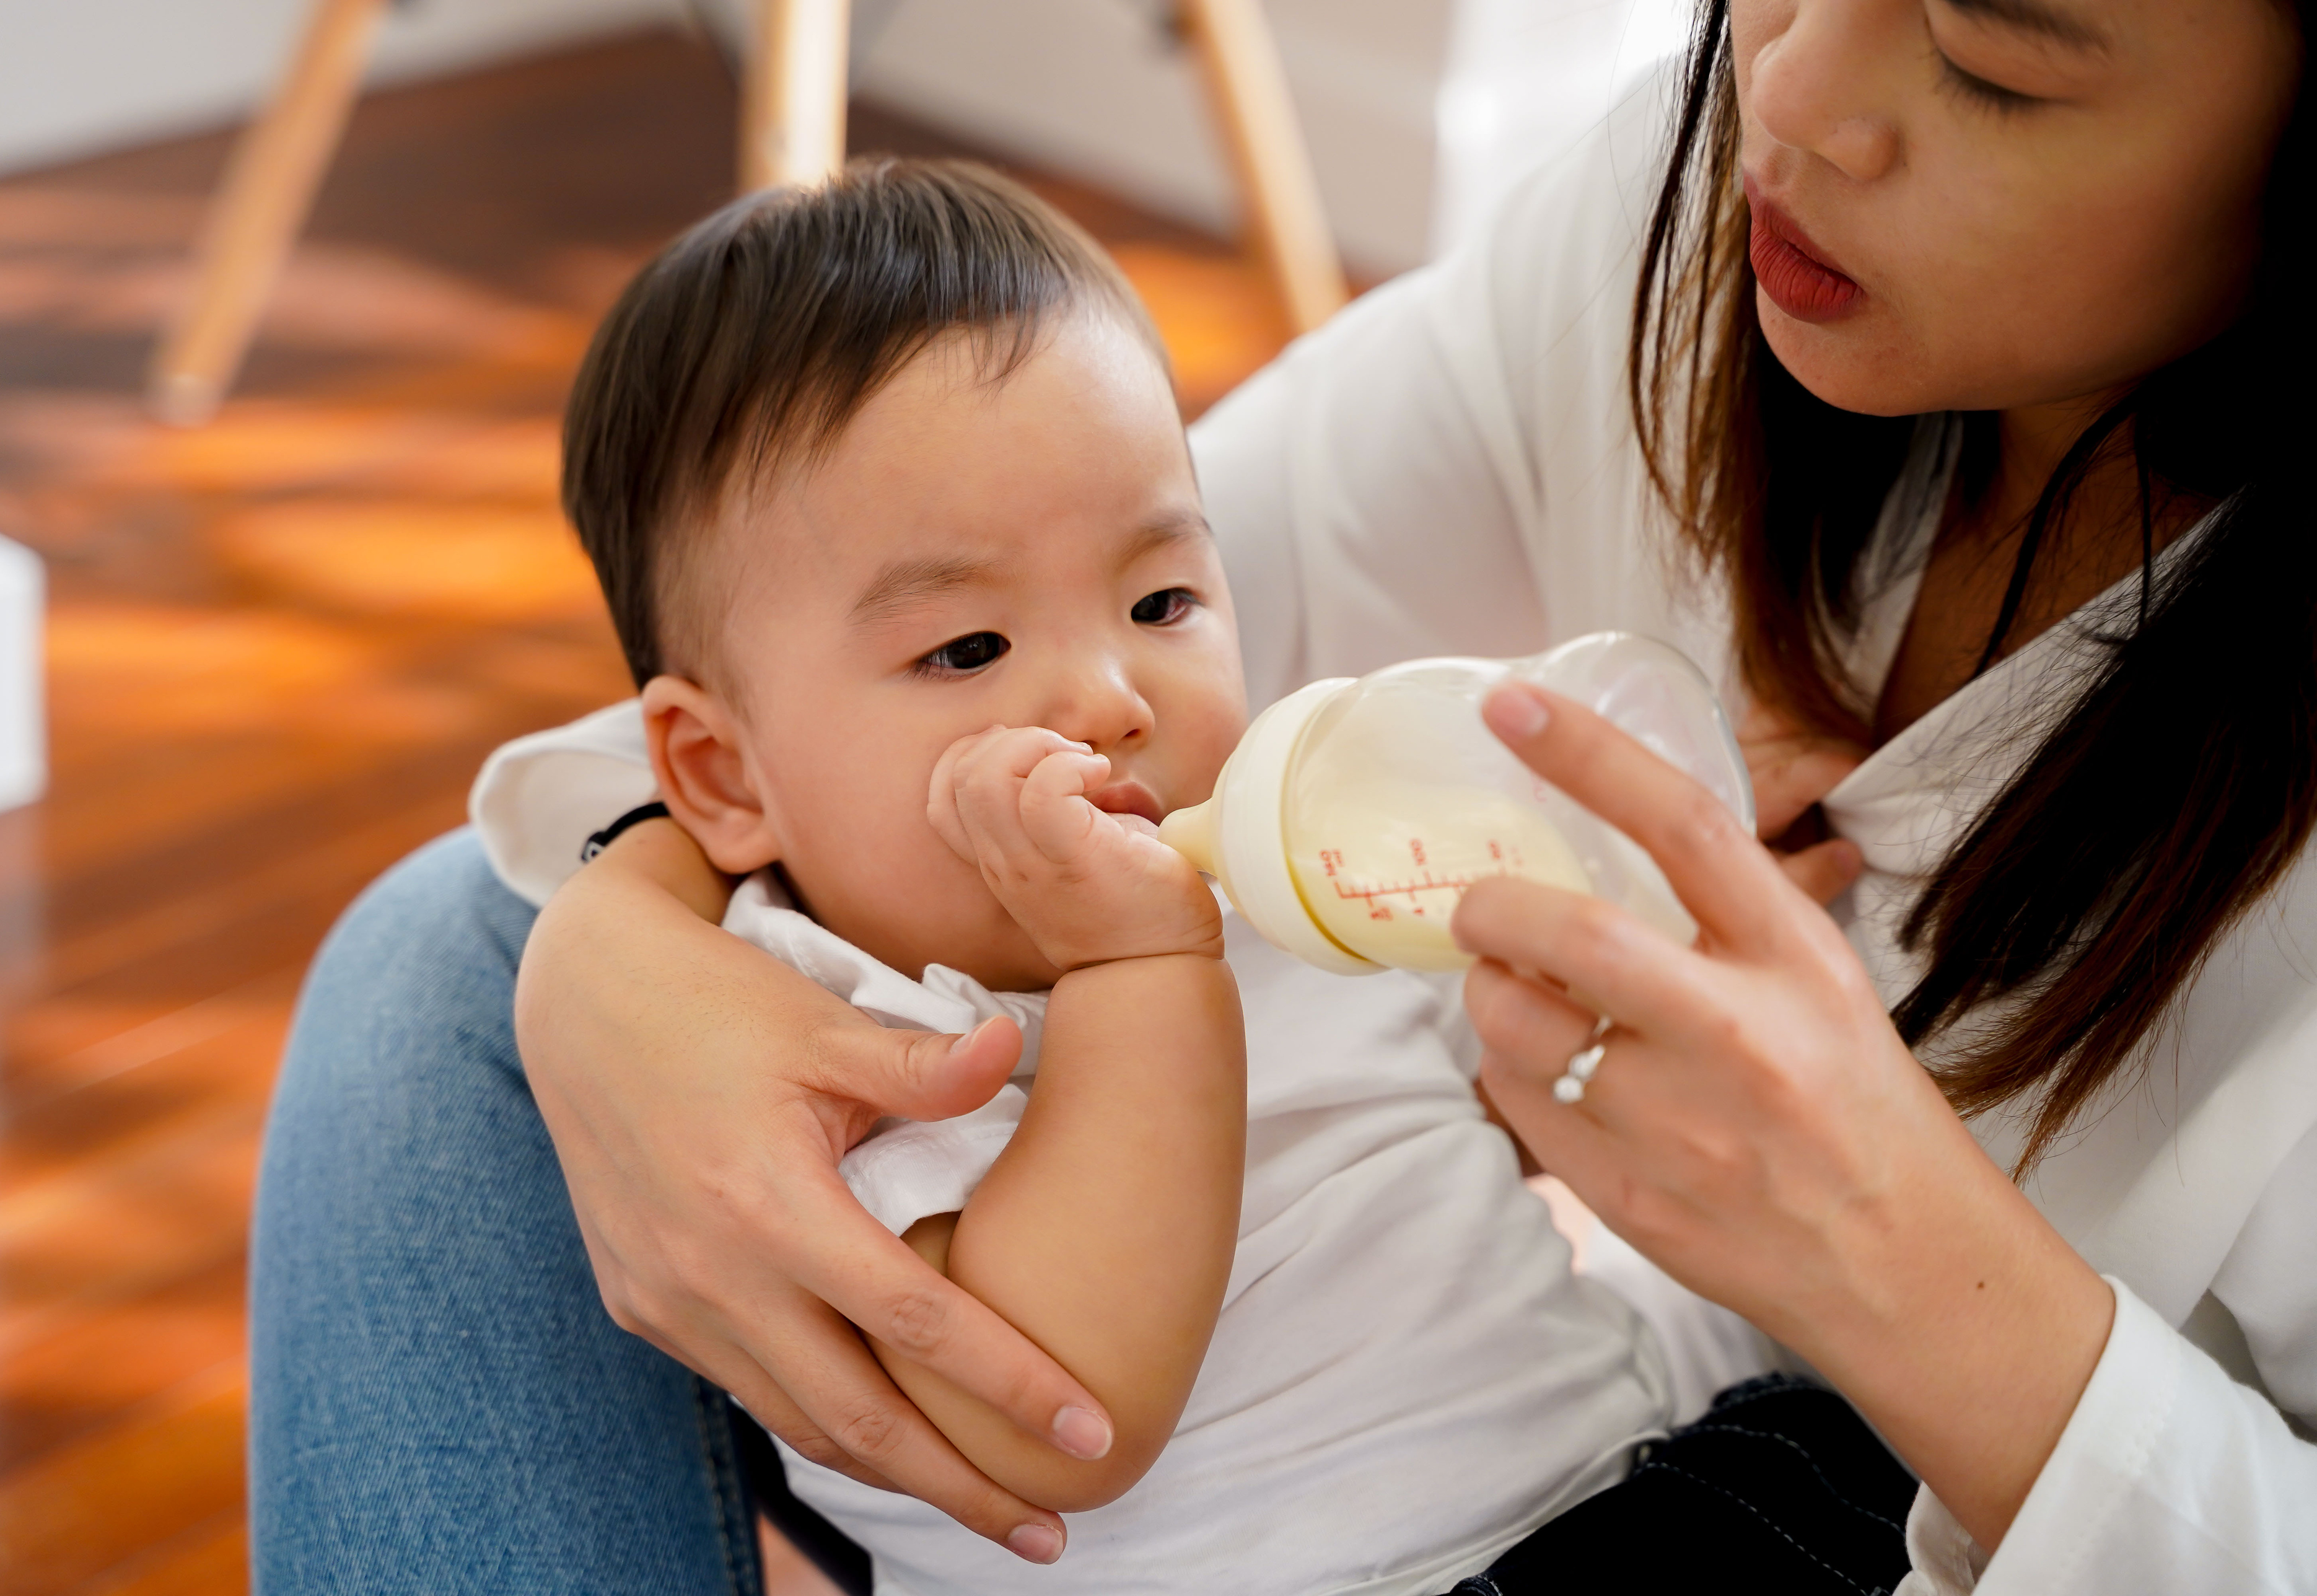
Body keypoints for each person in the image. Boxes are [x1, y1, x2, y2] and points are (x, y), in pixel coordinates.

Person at [249, 0, 2313, 1590]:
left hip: (1684, 1470)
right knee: (454, 947)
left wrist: (1899, 1263)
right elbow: (1065, 1395)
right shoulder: (911, 1046)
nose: (1788, 102)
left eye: (1993, 61)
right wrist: (621, 915)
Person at [503, 157, 1689, 1594]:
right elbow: (1063, 1418)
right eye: (966, 649)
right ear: (722, 777)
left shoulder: (1280, 875)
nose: (1111, 697)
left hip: (1651, 1484)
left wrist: (1606, 958)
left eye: (1161, 600)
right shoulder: (821, 1041)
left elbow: (1458, 1148)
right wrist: (1137, 972)